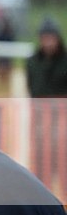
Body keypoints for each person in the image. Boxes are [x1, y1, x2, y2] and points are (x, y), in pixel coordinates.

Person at [26, 16, 67, 199]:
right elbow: (32, 89)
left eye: (51, 37)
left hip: (62, 122)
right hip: (41, 122)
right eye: (45, 37)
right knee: (42, 165)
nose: (48, 42)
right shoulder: (33, 62)